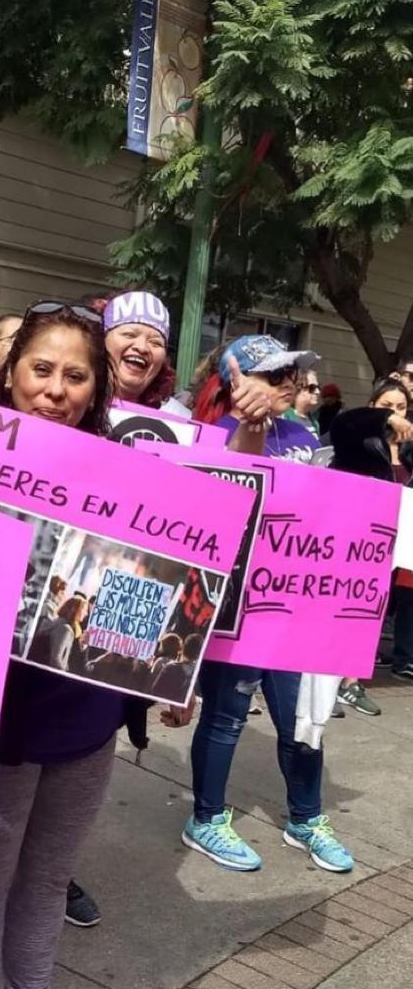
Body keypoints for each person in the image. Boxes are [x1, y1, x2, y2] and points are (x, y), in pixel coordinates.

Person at [0, 302, 125, 987]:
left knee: (46, 886)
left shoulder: (126, 478)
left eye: (76, 376)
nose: (57, 389)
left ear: (96, 391)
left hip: (87, 722)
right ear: (9, 372)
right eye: (41, 368)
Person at [185, 334, 354, 874]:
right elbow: (231, 496)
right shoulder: (214, 434)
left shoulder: (303, 430)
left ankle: (306, 819)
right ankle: (207, 818)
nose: (289, 383)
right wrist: (250, 429)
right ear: (235, 380)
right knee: (226, 717)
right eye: (274, 374)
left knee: (303, 720)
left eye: (292, 374)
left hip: (297, 602)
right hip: (238, 605)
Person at [330, 379, 413, 687]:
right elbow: (342, 423)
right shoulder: (359, 435)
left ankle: (352, 677)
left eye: (401, 407)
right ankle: (334, 676)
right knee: (345, 604)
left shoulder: (407, 445)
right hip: (355, 532)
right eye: (387, 406)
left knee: (373, 607)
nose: (396, 413)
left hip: (394, 535)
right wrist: (383, 419)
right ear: (373, 405)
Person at [102, 290, 182, 412]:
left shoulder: (180, 420)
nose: (142, 347)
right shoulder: (70, 409)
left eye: (155, 343)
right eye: (129, 335)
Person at [284, 369, 320, 437]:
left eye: (318, 387)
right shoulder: (283, 418)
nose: (318, 392)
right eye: (312, 388)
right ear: (297, 389)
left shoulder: (315, 422)